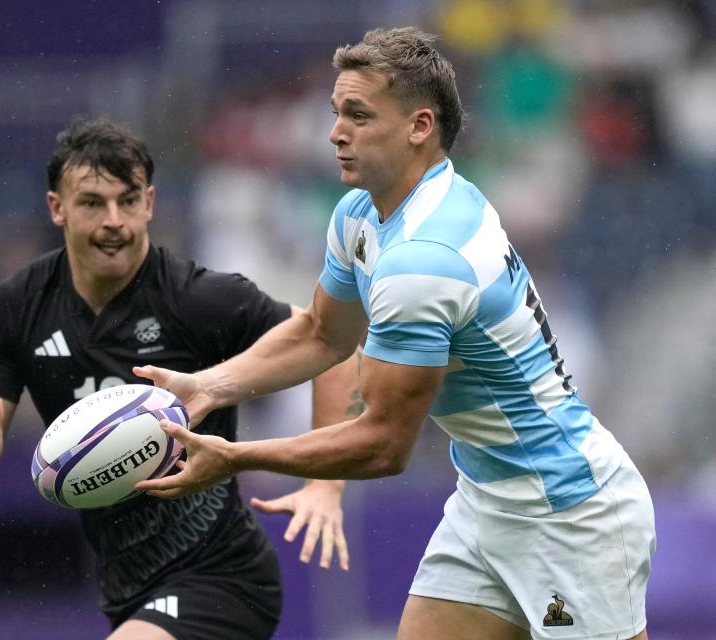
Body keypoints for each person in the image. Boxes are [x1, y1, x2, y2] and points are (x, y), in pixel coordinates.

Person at [134, 27, 657, 640]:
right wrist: (209, 387)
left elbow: (384, 445)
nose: (334, 132)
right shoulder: (362, 211)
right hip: (487, 501)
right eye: (335, 113)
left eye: (358, 115)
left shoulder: (426, 259)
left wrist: (237, 459)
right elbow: (321, 335)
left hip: (570, 515)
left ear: (419, 126)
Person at [0, 117, 359, 640]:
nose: (114, 220)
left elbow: (335, 348)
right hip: (127, 589)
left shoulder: (199, 298)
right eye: (93, 202)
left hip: (224, 577)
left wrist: (325, 485)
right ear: (57, 208)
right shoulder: (15, 308)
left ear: (150, 203)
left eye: (129, 200)